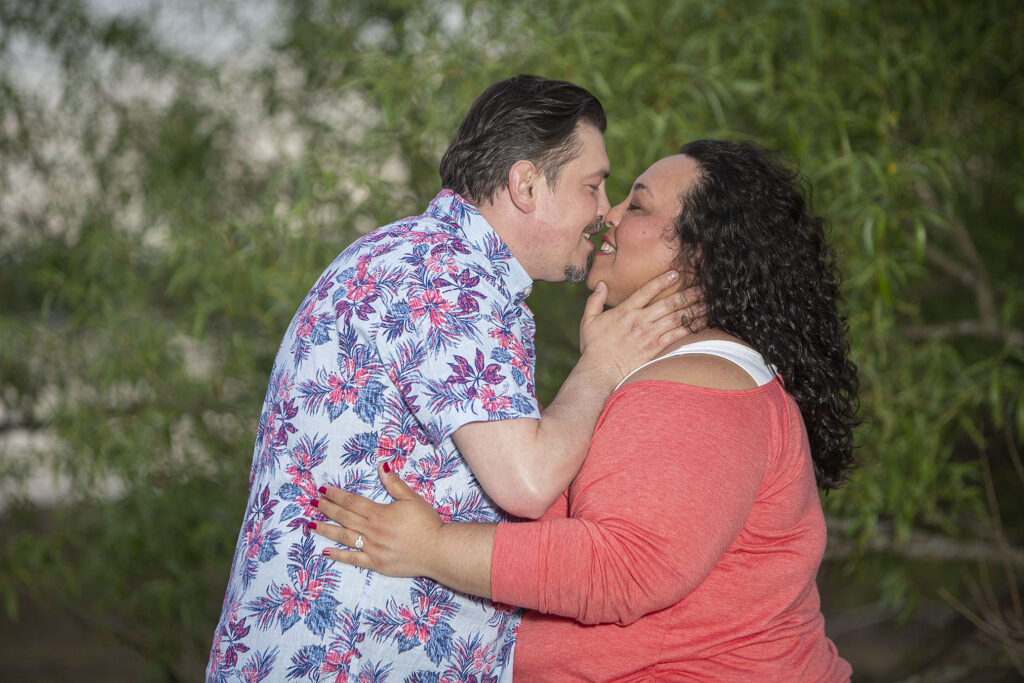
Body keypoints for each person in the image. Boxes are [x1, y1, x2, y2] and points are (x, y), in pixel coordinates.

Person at [206, 76, 698, 682]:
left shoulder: (427, 260)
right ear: (525, 184)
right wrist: (603, 363)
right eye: (592, 186)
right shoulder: (446, 278)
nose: (605, 213)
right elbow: (526, 478)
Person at [312, 140, 860, 681]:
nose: (608, 215)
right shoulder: (691, 377)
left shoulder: (693, 390)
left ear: (700, 256)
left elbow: (620, 568)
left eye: (637, 206)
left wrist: (430, 548)